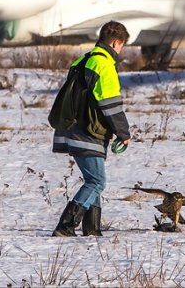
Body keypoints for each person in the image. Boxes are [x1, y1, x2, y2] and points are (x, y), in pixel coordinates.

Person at [50, 20, 132, 237]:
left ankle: (92, 228)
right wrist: (123, 133)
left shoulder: (83, 60)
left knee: (91, 180)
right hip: (88, 132)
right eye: (122, 45)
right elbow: (110, 104)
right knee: (97, 181)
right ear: (116, 43)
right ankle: (66, 225)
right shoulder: (104, 65)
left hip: (72, 129)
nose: (121, 50)